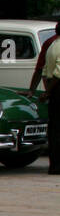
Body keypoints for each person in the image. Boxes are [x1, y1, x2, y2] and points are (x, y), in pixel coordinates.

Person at [40, 22, 60, 174]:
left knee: (54, 130)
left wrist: (47, 92)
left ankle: (54, 165)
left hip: (54, 92)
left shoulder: (52, 45)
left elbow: (45, 71)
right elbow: (58, 74)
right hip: (58, 87)